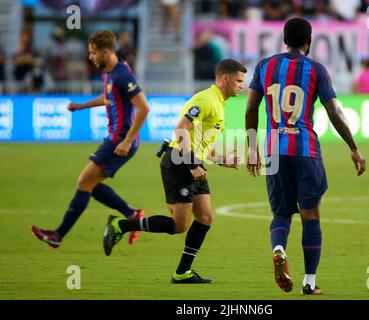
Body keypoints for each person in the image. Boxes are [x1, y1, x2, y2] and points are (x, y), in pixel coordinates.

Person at [245, 17, 366, 295]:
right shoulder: (316, 70)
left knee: (280, 213)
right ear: (308, 41)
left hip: (274, 151)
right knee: (310, 215)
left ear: (284, 40)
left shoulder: (265, 66)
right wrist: (353, 147)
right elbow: (334, 111)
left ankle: (278, 249)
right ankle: (309, 282)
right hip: (305, 150)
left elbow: (251, 108)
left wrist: (252, 146)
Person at [103, 59, 246, 284]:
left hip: (192, 163)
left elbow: (199, 143)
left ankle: (182, 273)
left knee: (206, 217)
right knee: (179, 225)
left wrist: (222, 160)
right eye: (238, 81)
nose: (241, 85)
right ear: (226, 78)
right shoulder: (206, 99)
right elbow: (181, 129)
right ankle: (121, 225)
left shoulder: (219, 103)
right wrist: (192, 164)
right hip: (179, 164)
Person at [31, 30, 150, 248]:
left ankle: (57, 236)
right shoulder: (109, 72)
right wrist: (82, 106)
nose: (90, 57)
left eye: (93, 53)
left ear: (106, 52)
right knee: (90, 186)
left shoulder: (122, 74)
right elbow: (108, 98)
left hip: (120, 140)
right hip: (116, 138)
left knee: (84, 182)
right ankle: (131, 214)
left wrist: (126, 141)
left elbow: (144, 108)